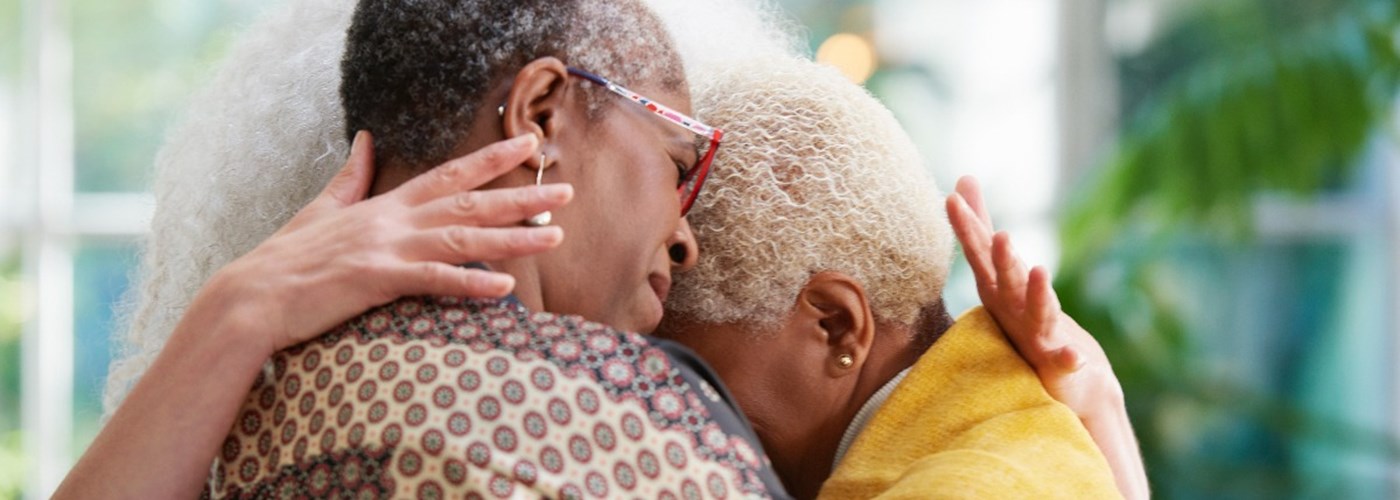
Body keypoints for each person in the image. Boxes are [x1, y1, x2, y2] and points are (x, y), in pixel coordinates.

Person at [61, 0, 791, 497]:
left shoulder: (234, 424)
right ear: (540, 116)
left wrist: (235, 310)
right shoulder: (651, 420)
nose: (686, 237)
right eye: (680, 164)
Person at [657, 54, 1144, 499]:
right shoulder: (1003, 438)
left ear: (835, 325)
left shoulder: (960, 489)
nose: (671, 416)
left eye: (695, 377)